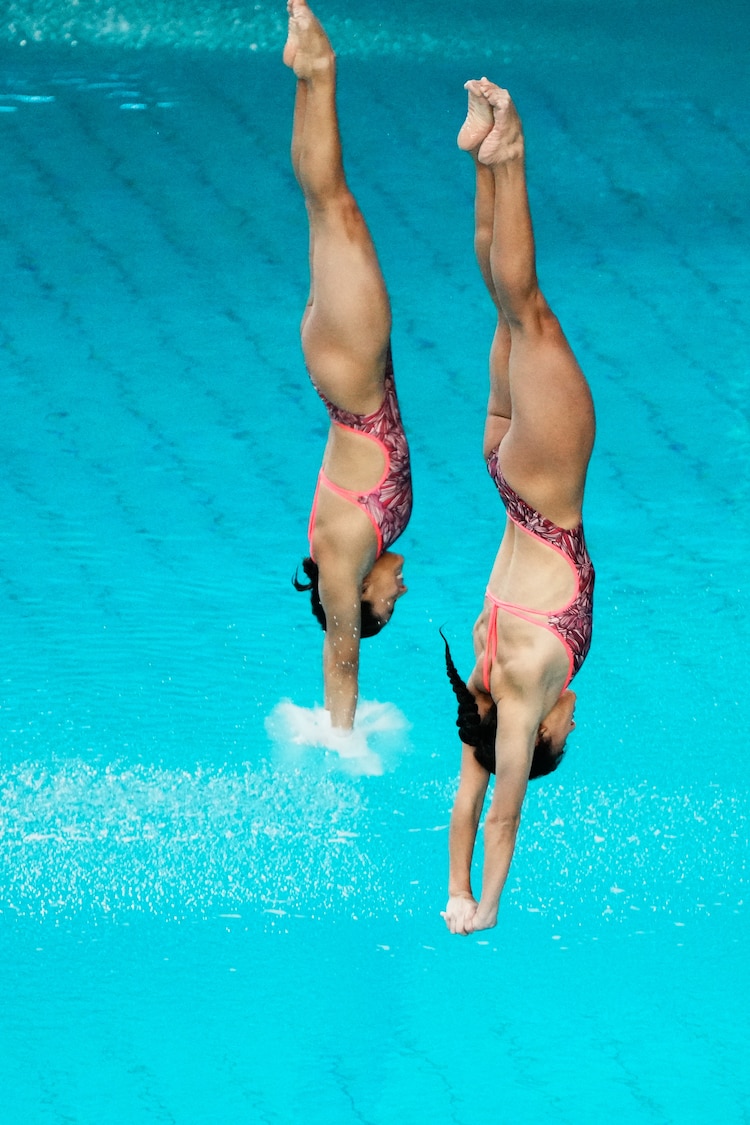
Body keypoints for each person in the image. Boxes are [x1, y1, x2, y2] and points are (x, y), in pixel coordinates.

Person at [441, 79, 596, 935]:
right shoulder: (483, 683)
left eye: (568, 732)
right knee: (504, 308)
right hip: (504, 472)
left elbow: (501, 811)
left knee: (528, 310)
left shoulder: (533, 691)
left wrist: (488, 905)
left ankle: (512, 151)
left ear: (546, 733)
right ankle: (483, 157)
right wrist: (453, 890)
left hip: (545, 482)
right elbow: (465, 807)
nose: (577, 717)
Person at [284, 0, 412, 731]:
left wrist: (344, 739)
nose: (399, 592)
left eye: (387, 605)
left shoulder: (343, 560)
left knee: (335, 206)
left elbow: (340, 655)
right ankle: (305, 72)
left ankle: (319, 69)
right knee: (325, 207)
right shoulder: (363, 541)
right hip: (348, 370)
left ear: (361, 596)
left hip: (353, 374)